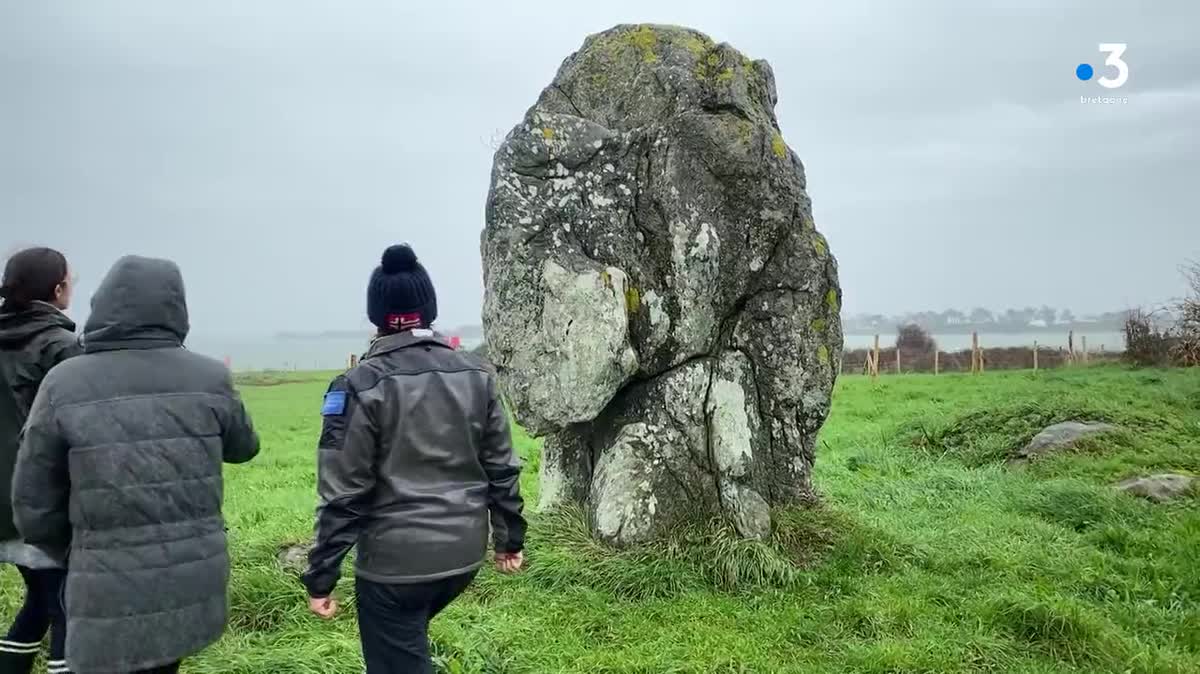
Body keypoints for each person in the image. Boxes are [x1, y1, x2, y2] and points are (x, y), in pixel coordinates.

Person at [12, 255, 260, 674]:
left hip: (102, 579)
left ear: (102, 304)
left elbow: (32, 502)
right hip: (191, 579)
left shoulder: (64, 382)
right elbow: (244, 447)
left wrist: (74, 549)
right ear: (176, 308)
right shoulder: (210, 377)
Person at [302, 244, 526, 674]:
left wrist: (321, 576)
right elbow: (501, 465)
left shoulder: (356, 385)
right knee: (408, 646)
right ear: (429, 310)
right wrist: (509, 539)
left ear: (376, 315)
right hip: (462, 558)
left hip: (394, 569)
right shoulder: (477, 375)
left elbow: (342, 492)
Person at [0, 247, 81, 674]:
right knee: (70, 605)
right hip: (45, 503)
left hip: (2, 508)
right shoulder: (62, 347)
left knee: (41, 599)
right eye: (71, 279)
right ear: (57, 289)